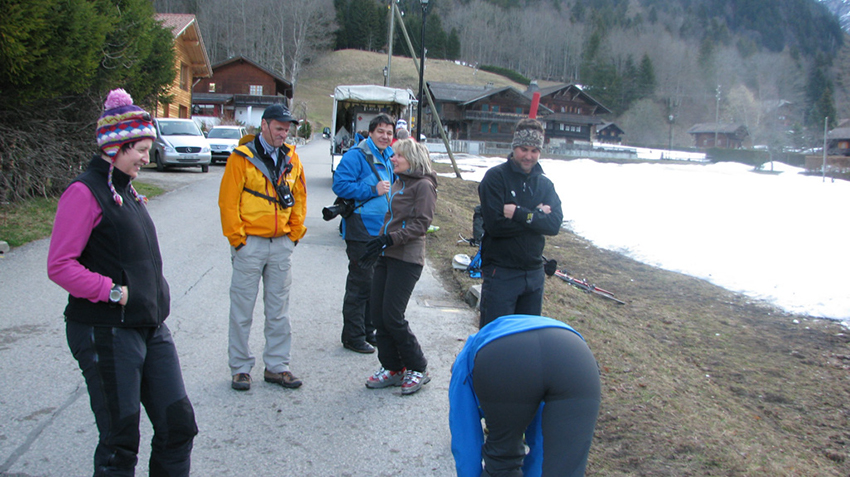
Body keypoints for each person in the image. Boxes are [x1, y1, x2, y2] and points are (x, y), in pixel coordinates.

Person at [47, 88, 198, 475]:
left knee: (178, 427)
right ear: (114, 148)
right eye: (141, 150)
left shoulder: (127, 191)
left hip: (150, 326)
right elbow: (60, 265)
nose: (147, 158)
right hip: (105, 330)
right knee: (120, 441)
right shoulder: (84, 193)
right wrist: (113, 292)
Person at [218, 104, 306, 391]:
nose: (283, 134)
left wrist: (293, 235)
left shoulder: (292, 158)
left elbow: (300, 198)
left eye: (287, 129)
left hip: (281, 244)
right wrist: (239, 242)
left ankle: (277, 367)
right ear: (264, 125)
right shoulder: (241, 158)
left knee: (279, 311)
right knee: (242, 310)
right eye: (279, 128)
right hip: (250, 245)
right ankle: (240, 368)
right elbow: (228, 203)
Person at [449, 314, 601, 476]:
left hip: (505, 355)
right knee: (565, 464)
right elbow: (542, 441)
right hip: (576, 355)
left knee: (502, 462)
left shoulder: (463, 364)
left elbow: (465, 440)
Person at [360, 138, 438, 395]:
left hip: (407, 258)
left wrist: (389, 239)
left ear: (411, 159)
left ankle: (418, 366)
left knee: (393, 316)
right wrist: (377, 244)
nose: (392, 159)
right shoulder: (398, 182)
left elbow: (421, 224)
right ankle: (392, 366)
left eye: (398, 155)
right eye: (393, 155)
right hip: (387, 253)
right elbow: (390, 218)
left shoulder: (424, 185)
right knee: (378, 315)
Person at [477, 118, 563, 328]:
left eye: (534, 150)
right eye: (524, 149)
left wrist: (520, 213)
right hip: (501, 273)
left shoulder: (545, 184)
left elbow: (554, 225)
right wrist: (538, 217)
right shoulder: (495, 178)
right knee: (495, 336)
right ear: (514, 147)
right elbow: (496, 226)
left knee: (526, 338)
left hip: (534, 273)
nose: (528, 156)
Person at [332, 113, 396, 354]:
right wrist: (372, 189)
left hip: (380, 228)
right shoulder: (356, 156)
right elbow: (340, 185)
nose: (385, 136)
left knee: (374, 284)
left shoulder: (388, 155)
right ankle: (353, 336)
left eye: (389, 133)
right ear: (370, 133)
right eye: (380, 131)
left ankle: (368, 331)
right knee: (360, 284)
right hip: (360, 227)